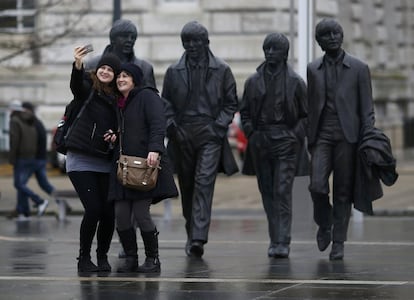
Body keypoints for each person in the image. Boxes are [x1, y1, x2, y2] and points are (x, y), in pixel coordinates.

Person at [162, 21, 239, 258]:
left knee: (204, 182)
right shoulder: (173, 71)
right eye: (187, 41)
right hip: (183, 134)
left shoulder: (222, 69)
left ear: (206, 42)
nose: (192, 45)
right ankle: (191, 230)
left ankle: (198, 237)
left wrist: (217, 127)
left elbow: (231, 103)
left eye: (196, 40)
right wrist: (173, 127)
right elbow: (165, 104)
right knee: (187, 186)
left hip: (210, 134)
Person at [307, 19, 376, 260]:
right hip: (322, 135)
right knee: (316, 185)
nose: (332, 37)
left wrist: (368, 139)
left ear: (342, 35)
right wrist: (309, 135)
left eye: (336, 33)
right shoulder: (313, 68)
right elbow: (311, 105)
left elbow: (367, 109)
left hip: (349, 136)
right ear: (319, 41)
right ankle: (324, 222)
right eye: (326, 35)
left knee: (343, 191)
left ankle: (339, 241)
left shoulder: (359, 68)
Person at [240, 33, 308, 258]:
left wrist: (293, 135)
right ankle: (274, 237)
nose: (269, 53)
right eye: (267, 48)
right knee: (267, 192)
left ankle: (283, 240)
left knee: (282, 191)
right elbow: (245, 112)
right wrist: (252, 133)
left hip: (286, 142)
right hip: (262, 141)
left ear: (285, 53)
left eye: (274, 49)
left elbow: (306, 116)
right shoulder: (253, 81)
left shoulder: (296, 82)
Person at [107, 63, 178, 273]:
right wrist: (114, 136)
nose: (120, 79)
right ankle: (130, 257)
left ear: (135, 79)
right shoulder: (119, 102)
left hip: (146, 166)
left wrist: (155, 149)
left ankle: (152, 259)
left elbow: (158, 124)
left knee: (140, 213)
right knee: (120, 214)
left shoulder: (148, 96)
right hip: (123, 167)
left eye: (126, 76)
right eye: (119, 76)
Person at [67, 46, 121, 273]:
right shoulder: (88, 89)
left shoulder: (118, 99)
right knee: (93, 209)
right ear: (97, 70)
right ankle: (83, 258)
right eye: (103, 68)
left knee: (108, 212)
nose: (105, 72)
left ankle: (102, 256)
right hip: (81, 159)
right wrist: (78, 64)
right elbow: (76, 86)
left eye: (110, 69)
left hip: (104, 160)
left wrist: (116, 135)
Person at [85, 19, 157, 89]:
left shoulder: (144, 68)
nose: (129, 40)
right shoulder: (93, 65)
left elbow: (151, 98)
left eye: (133, 37)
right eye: (125, 36)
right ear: (113, 39)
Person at [8, 100, 49, 221]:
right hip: (31, 155)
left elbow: (14, 140)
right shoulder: (29, 119)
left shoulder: (15, 120)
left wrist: (12, 157)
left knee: (18, 184)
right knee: (22, 184)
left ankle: (39, 201)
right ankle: (24, 212)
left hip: (21, 157)